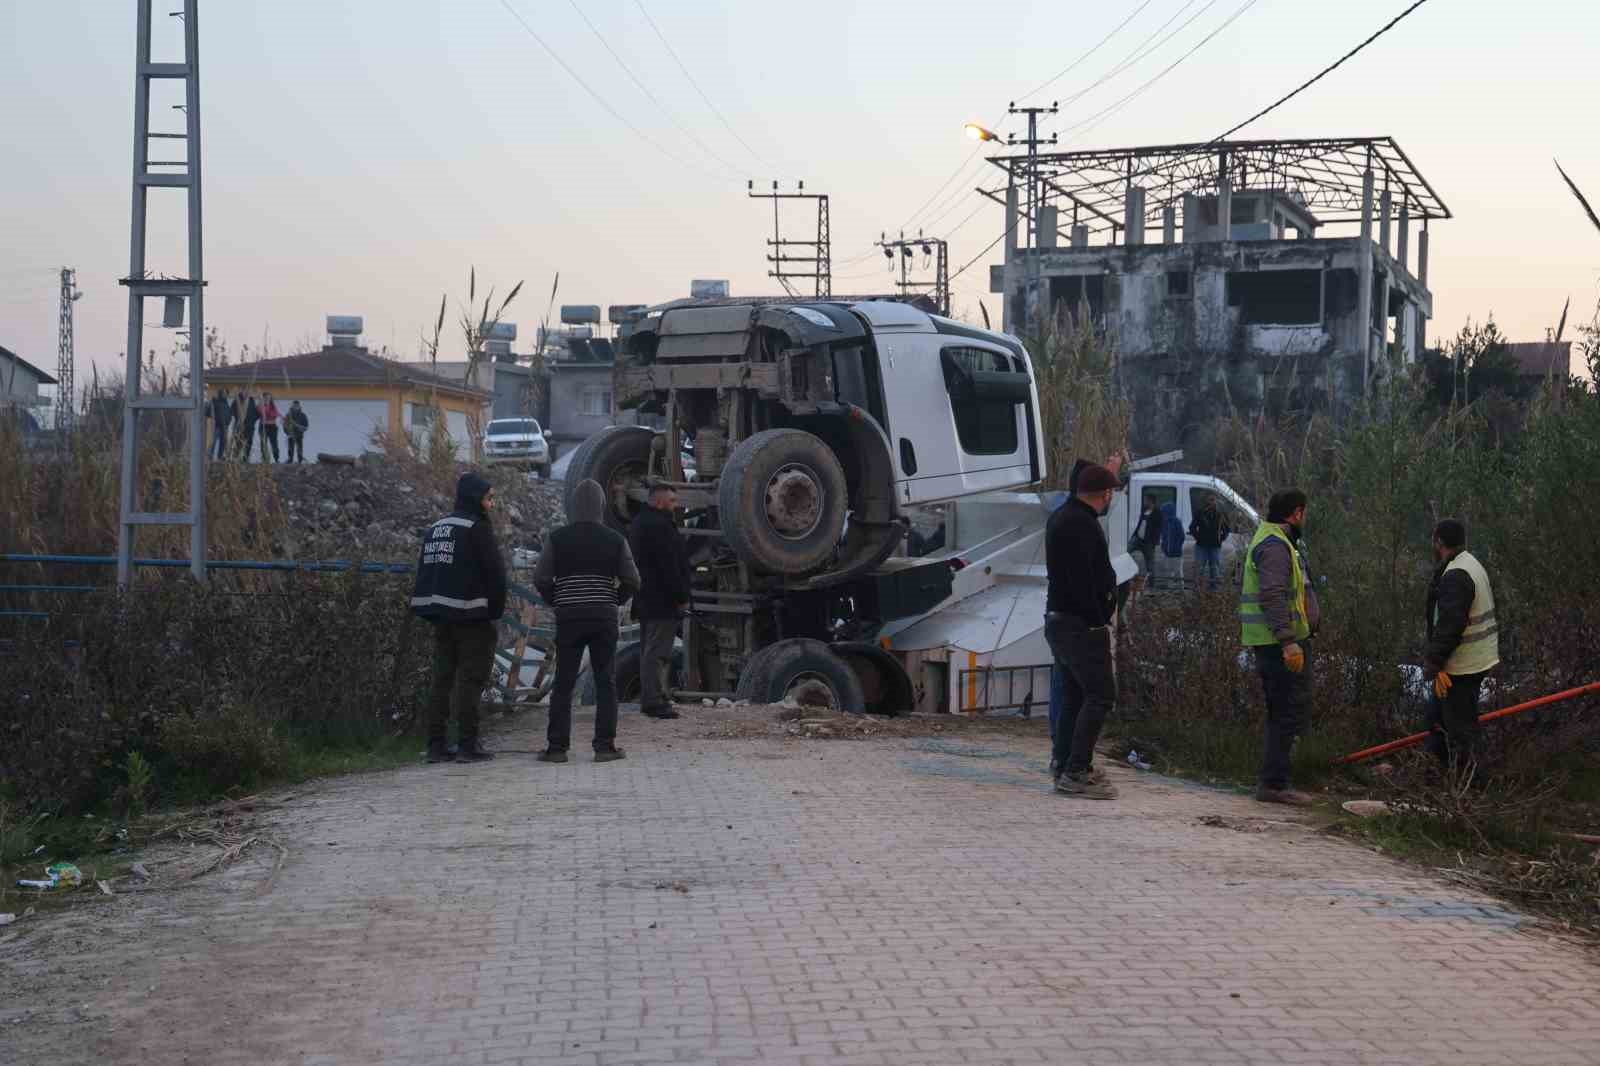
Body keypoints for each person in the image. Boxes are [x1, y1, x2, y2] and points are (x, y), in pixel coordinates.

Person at [534, 478, 641, 763]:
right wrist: (615, 599)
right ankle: (604, 747)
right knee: (606, 681)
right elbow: (632, 579)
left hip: (569, 617)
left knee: (564, 682)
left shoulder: (557, 538)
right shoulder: (615, 539)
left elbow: (541, 578)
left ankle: (557, 748)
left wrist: (557, 599)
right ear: (602, 506)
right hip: (603, 617)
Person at [410, 472, 507, 764]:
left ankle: (436, 745)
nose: (491, 505)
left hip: (441, 617)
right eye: (488, 498)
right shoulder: (476, 528)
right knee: (470, 679)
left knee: (441, 680)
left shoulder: (437, 528)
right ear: (475, 499)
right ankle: (468, 745)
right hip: (473, 618)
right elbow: (496, 574)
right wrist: (495, 611)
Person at [1239, 488, 1321, 805]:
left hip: (1279, 642)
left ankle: (1276, 780)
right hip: (1278, 645)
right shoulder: (1275, 546)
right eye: (1305, 514)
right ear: (1296, 514)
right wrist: (1288, 642)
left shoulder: (1278, 541)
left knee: (1285, 712)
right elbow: (1272, 595)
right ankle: (1274, 784)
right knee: (1285, 712)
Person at [1045, 463, 1122, 799]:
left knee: (1076, 695)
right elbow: (1085, 581)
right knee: (1102, 695)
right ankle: (1077, 771)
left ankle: (1064, 764)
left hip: (1059, 620)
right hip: (1081, 625)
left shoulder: (1061, 517)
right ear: (1105, 495)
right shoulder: (1083, 525)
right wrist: (1099, 616)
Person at [1422, 518, 1498, 775]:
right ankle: (1435, 776)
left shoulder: (1456, 574)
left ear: (1439, 542)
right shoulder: (1468, 563)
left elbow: (1451, 624)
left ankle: (1471, 786)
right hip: (1469, 660)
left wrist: (1434, 661)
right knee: (1437, 719)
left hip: (1463, 665)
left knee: (1460, 729)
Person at [628, 482, 692, 720]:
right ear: (658, 501)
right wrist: (681, 597)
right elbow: (669, 567)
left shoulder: (640, 523)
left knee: (650, 649)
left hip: (646, 598)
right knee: (657, 651)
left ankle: (654, 697)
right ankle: (654, 700)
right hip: (662, 600)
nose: (675, 507)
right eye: (672, 502)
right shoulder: (659, 526)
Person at [1188, 494, 1230, 592]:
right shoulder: (1200, 512)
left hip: (1215, 545)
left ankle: (1214, 589)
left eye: (1213, 500)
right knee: (1200, 568)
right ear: (1207, 501)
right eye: (1210, 500)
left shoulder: (1221, 514)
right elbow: (1192, 527)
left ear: (1216, 502)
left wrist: (1221, 538)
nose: (1212, 502)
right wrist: (1198, 537)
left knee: (1215, 568)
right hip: (1201, 545)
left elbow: (1227, 529)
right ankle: (1198, 589)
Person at [1133, 496, 1161, 592]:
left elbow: (1159, 528)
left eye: (1146, 500)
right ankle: (1130, 573)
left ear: (1151, 501)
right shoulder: (1144, 510)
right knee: (1126, 551)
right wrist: (1135, 534)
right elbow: (1140, 523)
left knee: (1150, 564)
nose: (1145, 502)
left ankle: (1152, 585)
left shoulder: (1158, 513)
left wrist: (1154, 541)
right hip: (1138, 538)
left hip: (1148, 542)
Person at [1158, 500, 1186, 590]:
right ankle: (1170, 588)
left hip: (1177, 553)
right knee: (1168, 571)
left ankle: (1181, 587)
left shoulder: (1177, 522)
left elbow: (1182, 536)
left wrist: (1177, 546)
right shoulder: (1164, 522)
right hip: (1167, 552)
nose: (1163, 514)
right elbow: (1163, 536)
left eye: (1164, 512)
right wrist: (1163, 546)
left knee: (1178, 571)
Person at [207, 389, 233, 460]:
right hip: (217, 426)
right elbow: (209, 412)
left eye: (226, 394)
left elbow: (229, 414)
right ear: (220, 393)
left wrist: (229, 421)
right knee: (213, 441)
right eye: (224, 393)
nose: (225, 395)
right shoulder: (215, 401)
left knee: (223, 443)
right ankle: (209, 456)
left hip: (225, 427)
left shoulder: (226, 403)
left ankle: (220, 457)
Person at [259, 392, 281, 463]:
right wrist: (268, 413)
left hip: (272, 427)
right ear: (263, 398)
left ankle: (276, 459)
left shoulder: (273, 406)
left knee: (274, 443)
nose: (267, 399)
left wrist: (269, 414)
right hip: (263, 426)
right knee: (263, 443)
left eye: (269, 398)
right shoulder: (260, 405)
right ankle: (265, 459)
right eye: (266, 397)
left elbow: (276, 414)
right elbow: (261, 412)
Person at [237, 392, 260, 461]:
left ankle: (245, 458)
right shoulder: (239, 401)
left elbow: (256, 413)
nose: (246, 394)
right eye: (245, 393)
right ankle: (236, 457)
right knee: (239, 442)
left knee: (249, 442)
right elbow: (235, 411)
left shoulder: (252, 402)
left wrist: (253, 420)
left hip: (250, 426)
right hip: (241, 426)